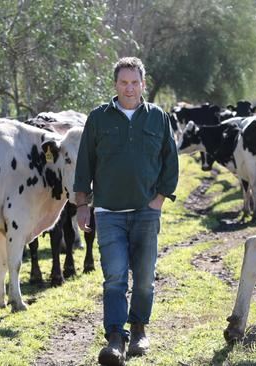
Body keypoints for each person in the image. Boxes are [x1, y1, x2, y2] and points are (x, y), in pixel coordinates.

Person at [73, 57, 178, 366]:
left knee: (144, 279)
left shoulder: (157, 118)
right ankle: (116, 338)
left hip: (147, 213)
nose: (129, 88)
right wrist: (82, 205)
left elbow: (170, 163)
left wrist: (158, 200)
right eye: (123, 82)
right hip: (108, 213)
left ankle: (140, 328)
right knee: (115, 277)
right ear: (115, 84)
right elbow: (84, 164)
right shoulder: (98, 118)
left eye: (134, 82)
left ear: (143, 84)